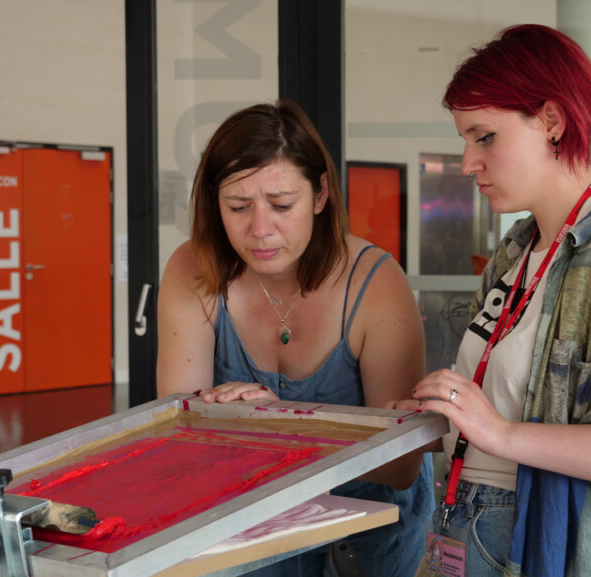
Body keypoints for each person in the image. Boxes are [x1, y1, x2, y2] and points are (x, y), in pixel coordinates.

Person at [395, 25, 591, 577]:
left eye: (484, 137)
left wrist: (500, 432)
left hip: (541, 539)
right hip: (463, 521)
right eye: (465, 140)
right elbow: (497, 406)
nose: (467, 162)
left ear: (552, 123)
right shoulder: (516, 251)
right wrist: (444, 416)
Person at [156, 99, 434, 577]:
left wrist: (271, 425)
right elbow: (181, 440)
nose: (260, 230)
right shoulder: (193, 269)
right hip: (253, 518)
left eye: (282, 205)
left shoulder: (376, 284)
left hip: (368, 532)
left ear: (321, 195)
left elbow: (399, 465)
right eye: (238, 207)